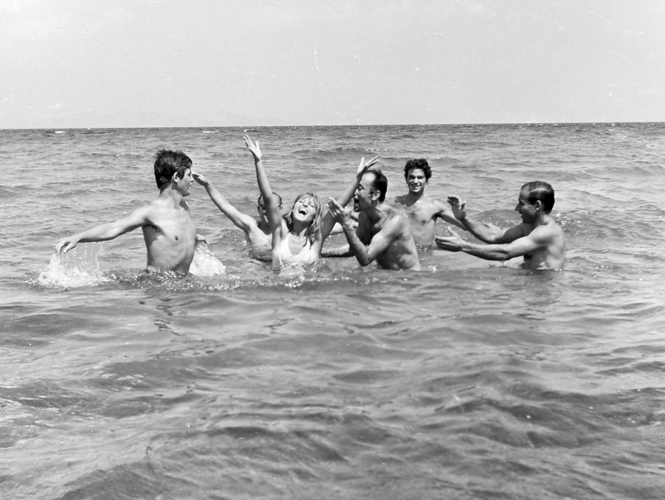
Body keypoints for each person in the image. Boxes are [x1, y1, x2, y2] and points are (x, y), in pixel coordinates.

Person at [244, 135, 377, 272]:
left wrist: (357, 178)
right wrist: (258, 161)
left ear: (315, 216)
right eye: (301, 202)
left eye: (311, 205)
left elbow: (339, 205)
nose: (305, 205)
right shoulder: (280, 231)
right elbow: (267, 197)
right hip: (278, 285)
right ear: (293, 209)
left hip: (308, 286)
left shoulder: (317, 239)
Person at [56, 150, 199, 273]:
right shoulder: (151, 212)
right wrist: (78, 237)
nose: (192, 180)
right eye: (189, 175)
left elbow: (174, 239)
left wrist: (195, 239)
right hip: (159, 285)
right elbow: (113, 228)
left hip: (182, 282)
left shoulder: (184, 208)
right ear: (176, 177)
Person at [434, 181, 566, 270]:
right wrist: (464, 219)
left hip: (544, 296)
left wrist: (462, 246)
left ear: (537, 205)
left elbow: (505, 252)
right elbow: (493, 236)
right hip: (531, 286)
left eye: (521, 203)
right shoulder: (528, 227)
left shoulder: (547, 232)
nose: (516, 208)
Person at [328, 169, 421, 271]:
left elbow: (365, 259)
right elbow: (353, 249)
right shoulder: (364, 216)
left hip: (409, 277)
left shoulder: (395, 220)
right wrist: (319, 251)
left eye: (359, 188)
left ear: (375, 195)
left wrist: (346, 224)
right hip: (388, 275)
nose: (354, 192)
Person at [192, 170, 281, 252]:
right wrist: (207, 184)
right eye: (264, 207)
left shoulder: (286, 228)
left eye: (274, 207)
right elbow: (226, 207)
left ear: (280, 209)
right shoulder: (252, 226)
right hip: (256, 263)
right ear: (259, 210)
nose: (269, 211)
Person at [393, 158, 465, 246]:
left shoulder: (435, 206)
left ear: (426, 180)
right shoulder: (395, 204)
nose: (415, 181)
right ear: (406, 179)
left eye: (420, 177)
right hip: (400, 253)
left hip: (425, 253)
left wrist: (462, 217)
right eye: (412, 177)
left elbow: (466, 226)